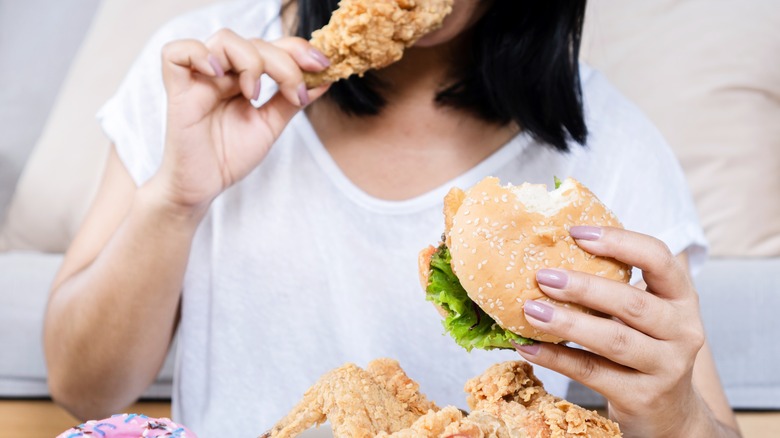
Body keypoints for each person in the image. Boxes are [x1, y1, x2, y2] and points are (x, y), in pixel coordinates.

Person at [43, 0, 742, 436]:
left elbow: (707, 424)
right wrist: (176, 198)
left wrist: (674, 414)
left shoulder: (609, 143)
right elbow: (84, 389)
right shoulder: (202, 69)